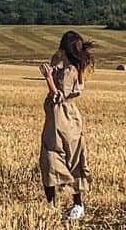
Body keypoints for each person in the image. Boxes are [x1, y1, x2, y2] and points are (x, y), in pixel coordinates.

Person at [39, 30, 93, 220]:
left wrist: (48, 78)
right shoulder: (72, 66)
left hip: (61, 117)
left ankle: (67, 205)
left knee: (51, 158)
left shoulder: (70, 71)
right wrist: (54, 63)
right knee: (72, 158)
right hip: (68, 118)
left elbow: (57, 96)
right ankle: (72, 204)